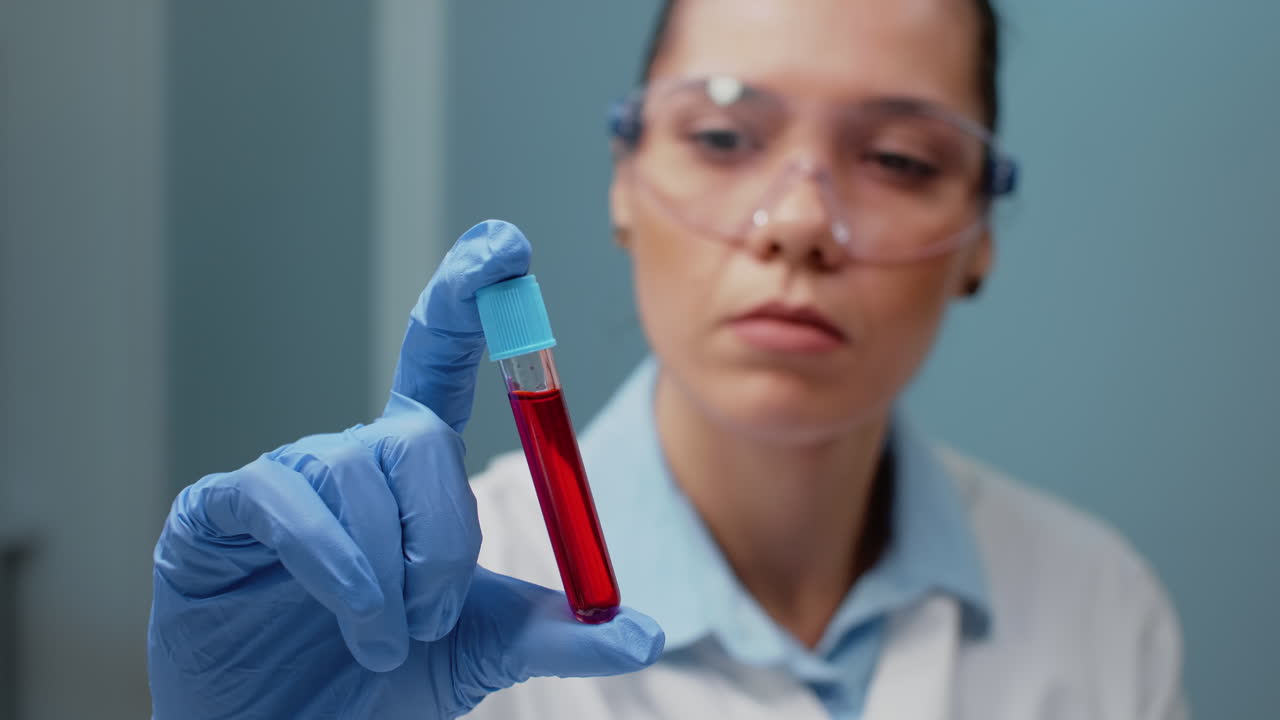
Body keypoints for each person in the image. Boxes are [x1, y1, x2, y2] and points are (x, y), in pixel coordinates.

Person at [148, 0, 1188, 718]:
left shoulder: (1100, 607)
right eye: (725, 138)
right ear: (623, 180)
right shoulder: (406, 607)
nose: (795, 224)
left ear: (980, 235)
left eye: (898, 159)